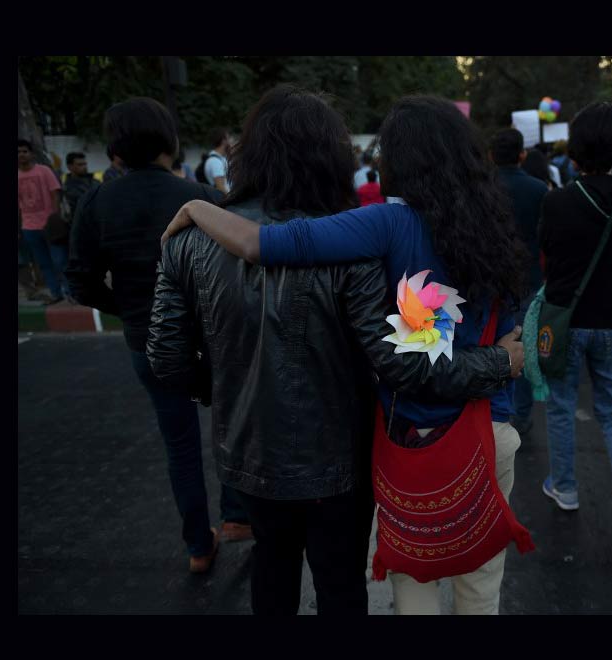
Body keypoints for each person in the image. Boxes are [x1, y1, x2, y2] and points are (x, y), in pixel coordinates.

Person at [148, 84, 523, 615]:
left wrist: (226, 387)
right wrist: (501, 362)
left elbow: (166, 358)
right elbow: (400, 359)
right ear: (332, 158)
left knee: (272, 563)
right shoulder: (361, 244)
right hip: (345, 453)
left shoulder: (190, 238)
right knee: (342, 580)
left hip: (248, 448)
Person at [65, 98, 253, 574]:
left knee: (180, 442)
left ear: (116, 151)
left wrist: (130, 311)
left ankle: (197, 544)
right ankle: (238, 517)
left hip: (145, 341)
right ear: (171, 142)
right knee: (230, 424)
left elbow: (80, 280)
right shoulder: (200, 198)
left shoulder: (97, 201)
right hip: (210, 338)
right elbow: (238, 270)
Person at [532, 101, 612, 538]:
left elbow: (547, 253)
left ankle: (565, 488)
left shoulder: (559, 201)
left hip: (566, 318)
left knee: (561, 406)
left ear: (577, 148)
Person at [490, 128, 549, 435]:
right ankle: (520, 416)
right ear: (522, 155)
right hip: (528, 281)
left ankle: (494, 411)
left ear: (491, 155)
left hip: (489, 282)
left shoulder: (482, 188)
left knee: (488, 345)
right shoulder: (540, 189)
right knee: (523, 346)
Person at [18, 139, 66, 304]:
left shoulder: (43, 170)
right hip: (28, 227)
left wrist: (54, 217)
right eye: (18, 152)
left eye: (24, 151)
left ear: (31, 153)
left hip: (49, 225)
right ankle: (55, 293)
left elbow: (55, 194)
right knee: (43, 263)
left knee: (59, 260)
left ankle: (70, 292)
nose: (21, 155)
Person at [203, 128, 231, 193]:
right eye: (229, 138)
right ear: (223, 141)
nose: (231, 141)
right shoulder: (215, 161)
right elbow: (221, 188)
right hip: (229, 201)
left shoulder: (221, 158)